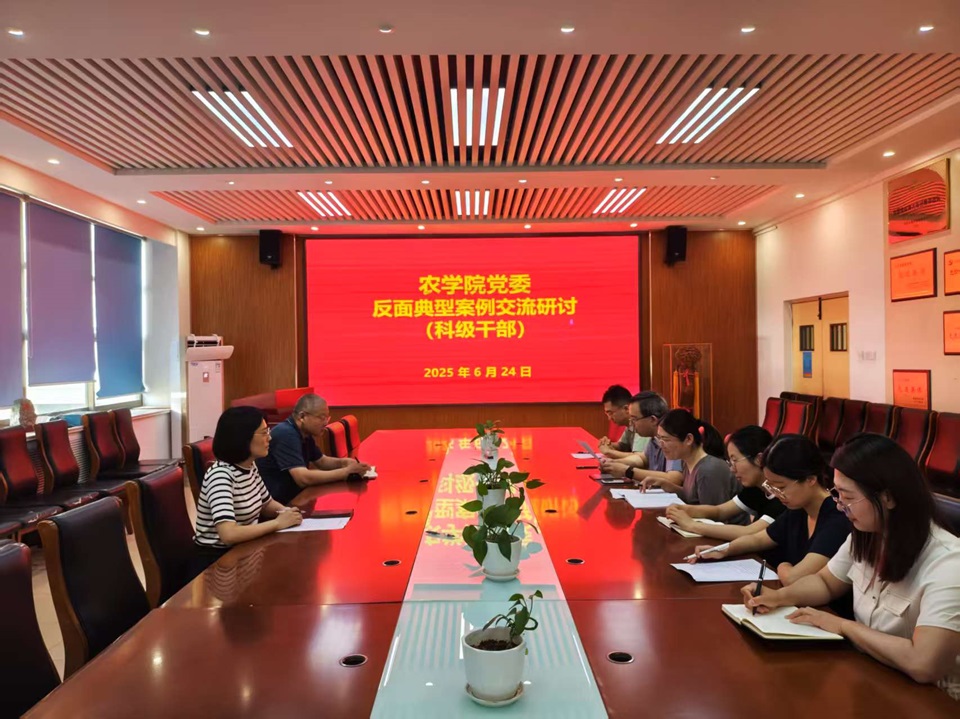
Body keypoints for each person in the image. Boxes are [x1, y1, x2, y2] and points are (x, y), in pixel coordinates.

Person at [744, 433, 960, 699]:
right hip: (873, 678)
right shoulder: (866, 535)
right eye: (837, 494)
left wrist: (843, 626)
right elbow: (825, 582)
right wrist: (778, 597)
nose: (839, 506)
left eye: (847, 496)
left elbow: (923, 663)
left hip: (935, 699)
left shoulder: (949, 562)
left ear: (888, 498)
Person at [689, 434, 851, 587]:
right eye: (771, 487)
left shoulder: (836, 518)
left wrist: (782, 565)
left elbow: (794, 577)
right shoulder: (798, 508)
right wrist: (723, 550)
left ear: (810, 479)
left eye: (781, 487)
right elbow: (758, 539)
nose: (777, 494)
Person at [193, 406, 303, 560]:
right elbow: (229, 534)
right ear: (242, 438)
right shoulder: (220, 476)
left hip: (246, 550)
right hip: (219, 560)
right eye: (264, 433)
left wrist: (287, 512)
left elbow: (267, 504)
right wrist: (277, 524)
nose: (269, 438)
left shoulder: (249, 466)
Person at [665, 425, 785, 540]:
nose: (732, 469)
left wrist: (692, 525)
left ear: (759, 459)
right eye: (730, 462)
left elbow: (750, 532)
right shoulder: (756, 488)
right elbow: (719, 511)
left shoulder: (782, 495)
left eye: (735, 460)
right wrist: (684, 509)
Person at [257, 393, 370, 504]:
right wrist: (345, 472)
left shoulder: (305, 432)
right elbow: (303, 478)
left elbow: (322, 461)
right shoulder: (286, 433)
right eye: (322, 418)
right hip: (280, 504)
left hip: (297, 497)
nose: (326, 423)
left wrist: (344, 462)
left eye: (327, 418)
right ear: (302, 417)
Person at [638, 408, 740, 508]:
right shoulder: (687, 461)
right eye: (659, 438)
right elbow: (692, 498)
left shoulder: (708, 470)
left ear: (688, 439)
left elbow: (713, 514)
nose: (661, 445)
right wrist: (666, 485)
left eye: (666, 439)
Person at [601, 391, 684, 487]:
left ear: (652, 420)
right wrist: (614, 464)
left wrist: (627, 471)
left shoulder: (673, 437)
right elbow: (642, 458)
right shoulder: (654, 438)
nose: (631, 424)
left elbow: (674, 478)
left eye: (634, 419)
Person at [597, 385, 647, 458]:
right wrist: (608, 445)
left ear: (626, 409)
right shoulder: (629, 423)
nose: (609, 418)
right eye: (607, 414)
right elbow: (623, 445)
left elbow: (638, 457)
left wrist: (609, 452)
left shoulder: (641, 423)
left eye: (611, 413)